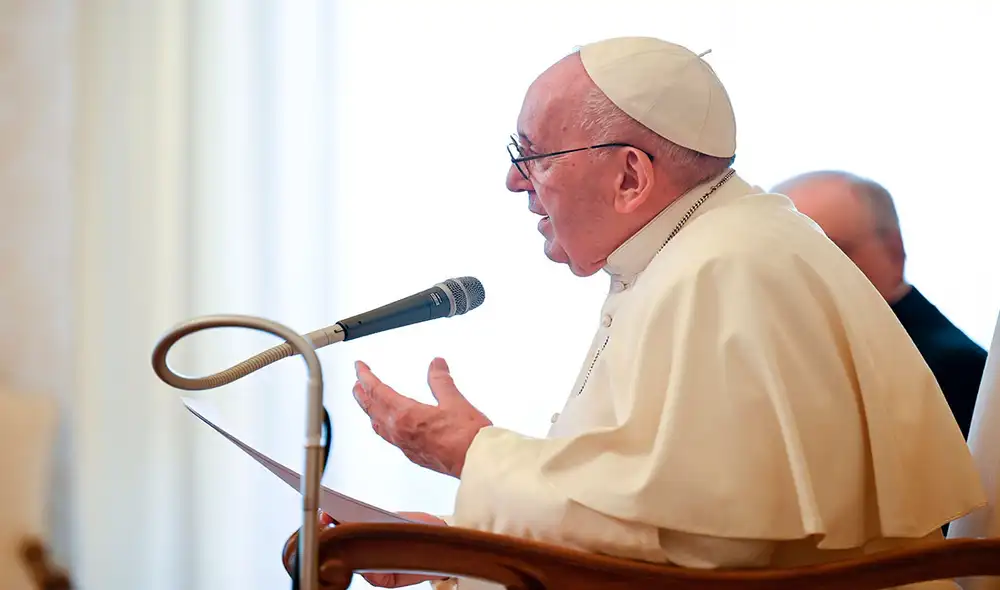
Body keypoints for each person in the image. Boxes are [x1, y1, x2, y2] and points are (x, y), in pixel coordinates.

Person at [284, 37, 986, 589]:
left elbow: (707, 542)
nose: (512, 182)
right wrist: (447, 545)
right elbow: (655, 519)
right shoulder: (692, 253)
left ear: (629, 175)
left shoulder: (724, 269)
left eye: (531, 156)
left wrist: (471, 453)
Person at [772, 171, 988, 439]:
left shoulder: (954, 370)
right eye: (789, 261)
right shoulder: (800, 360)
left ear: (893, 249)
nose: (807, 277)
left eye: (834, 251)